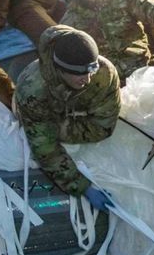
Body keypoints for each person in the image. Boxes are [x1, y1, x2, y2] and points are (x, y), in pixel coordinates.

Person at [13, 26, 121, 204]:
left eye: (90, 71)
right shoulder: (32, 90)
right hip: (39, 114)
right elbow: (45, 148)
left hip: (65, 116)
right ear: (61, 69)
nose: (86, 79)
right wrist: (82, 186)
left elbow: (104, 126)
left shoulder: (104, 73)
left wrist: (67, 123)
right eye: (78, 74)